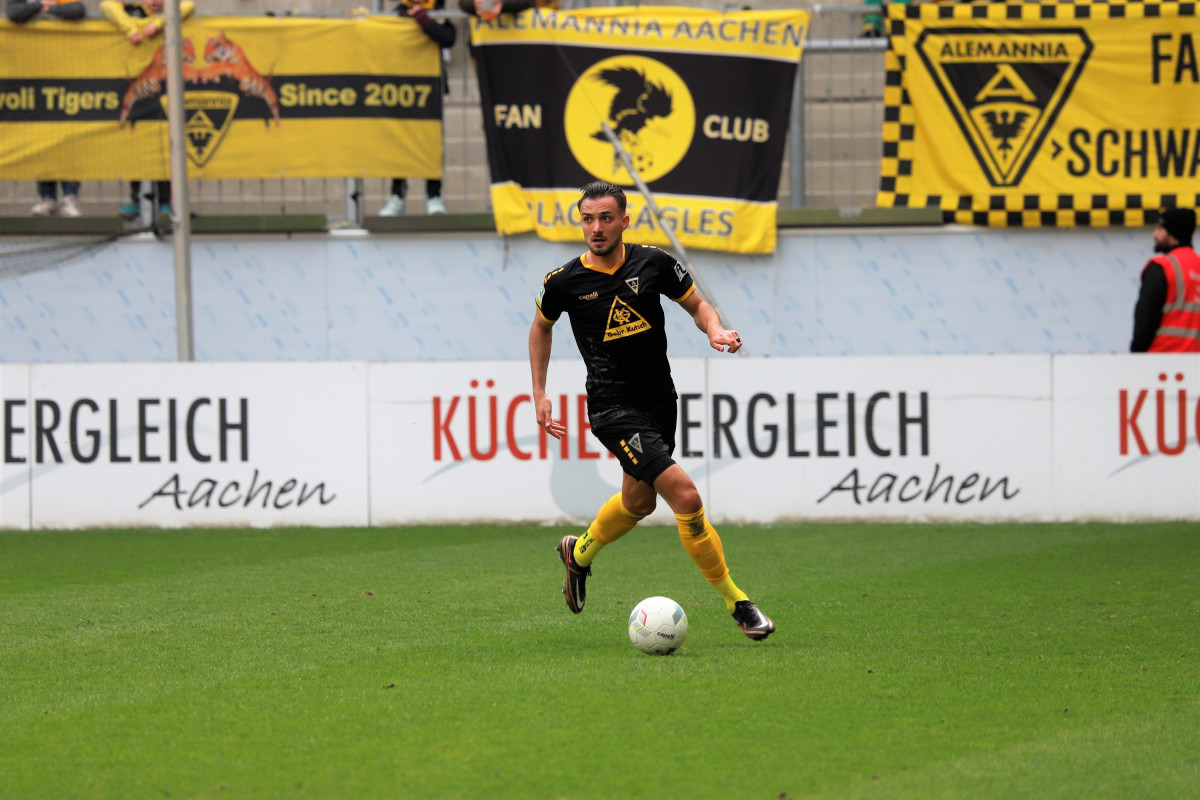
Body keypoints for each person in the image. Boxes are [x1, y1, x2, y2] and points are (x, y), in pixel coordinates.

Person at [528, 180, 775, 642]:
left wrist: (713, 330)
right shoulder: (562, 282)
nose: (596, 228)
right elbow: (541, 327)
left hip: (660, 402)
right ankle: (738, 603)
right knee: (686, 497)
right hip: (612, 408)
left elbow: (698, 304)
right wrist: (539, 392)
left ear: (624, 221)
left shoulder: (654, 262)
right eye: (588, 219)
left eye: (605, 218)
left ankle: (578, 554)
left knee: (639, 503)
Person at [100, 0, 196, 219]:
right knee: (136, 143)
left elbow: (189, 5)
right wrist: (130, 29)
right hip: (137, 86)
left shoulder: (170, 14)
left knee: (166, 144)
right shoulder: (132, 11)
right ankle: (136, 200)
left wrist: (159, 23)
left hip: (165, 88)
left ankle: (165, 202)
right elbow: (106, 5)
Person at [8, 0, 87, 217]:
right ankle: (47, 198)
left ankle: (70, 196)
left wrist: (49, 9)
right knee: (41, 139)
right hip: (35, 75)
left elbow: (78, 10)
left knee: (68, 137)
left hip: (65, 75)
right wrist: (40, 5)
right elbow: (14, 13)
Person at [380, 0, 456, 217]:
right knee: (400, 141)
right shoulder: (399, 12)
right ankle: (397, 195)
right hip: (403, 87)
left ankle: (434, 196)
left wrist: (425, 21)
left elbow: (448, 38)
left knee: (431, 142)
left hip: (430, 87)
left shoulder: (438, 12)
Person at [1131, 207, 1200, 352]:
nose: (1154, 234)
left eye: (1160, 229)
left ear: (1173, 233)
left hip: (1162, 356)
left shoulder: (1163, 266)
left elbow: (1145, 318)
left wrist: (1136, 355)